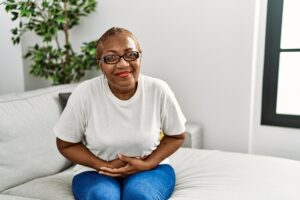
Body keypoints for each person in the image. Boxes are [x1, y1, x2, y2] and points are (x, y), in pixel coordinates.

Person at [53, 27, 186, 200]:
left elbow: (176, 136)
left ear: (140, 57)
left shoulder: (158, 89)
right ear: (100, 63)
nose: (123, 64)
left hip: (152, 169)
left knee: (139, 196)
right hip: (96, 171)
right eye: (111, 58)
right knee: (102, 197)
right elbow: (66, 144)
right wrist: (104, 165)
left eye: (131, 54)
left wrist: (147, 164)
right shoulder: (85, 93)